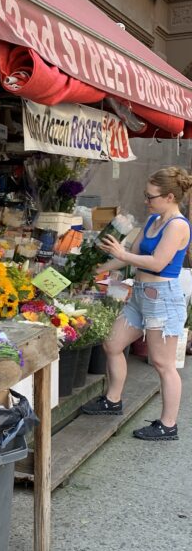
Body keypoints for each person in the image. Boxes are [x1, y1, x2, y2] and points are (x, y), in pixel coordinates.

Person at [81, 167, 192, 441]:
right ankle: (113, 400)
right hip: (141, 294)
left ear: (169, 196)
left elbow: (157, 263)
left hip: (162, 299)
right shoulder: (154, 218)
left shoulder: (177, 225)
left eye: (150, 196)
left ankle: (168, 425)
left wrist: (123, 255)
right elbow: (130, 255)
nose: (146, 200)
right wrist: (94, 269)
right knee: (112, 343)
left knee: (162, 363)